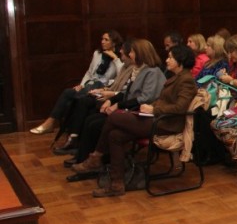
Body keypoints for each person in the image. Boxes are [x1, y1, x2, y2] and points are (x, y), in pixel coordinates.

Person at [73, 44, 197, 197]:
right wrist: (149, 107)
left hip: (166, 124)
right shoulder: (175, 77)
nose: (167, 60)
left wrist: (153, 109)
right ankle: (117, 184)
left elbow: (180, 108)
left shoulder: (186, 81)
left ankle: (96, 157)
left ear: (181, 61)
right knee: (115, 136)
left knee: (114, 116)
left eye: (171, 57)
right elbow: (163, 101)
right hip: (156, 118)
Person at [68, 39, 166, 170]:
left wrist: (118, 106)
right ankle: (85, 157)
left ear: (140, 53)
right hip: (129, 108)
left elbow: (144, 98)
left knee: (95, 124)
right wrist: (112, 101)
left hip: (140, 113)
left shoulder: (152, 72)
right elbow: (126, 92)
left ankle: (95, 160)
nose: (130, 54)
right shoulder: (139, 69)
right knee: (91, 119)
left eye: (132, 52)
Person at [31, 30, 125, 134]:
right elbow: (89, 73)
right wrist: (82, 84)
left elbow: (122, 75)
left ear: (114, 42)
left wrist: (115, 59)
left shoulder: (120, 58)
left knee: (77, 99)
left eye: (106, 40)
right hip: (90, 85)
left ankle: (64, 129)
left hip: (103, 89)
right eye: (102, 39)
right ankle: (51, 122)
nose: (102, 42)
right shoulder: (97, 54)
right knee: (68, 92)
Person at [53, 39, 135, 156]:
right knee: (78, 101)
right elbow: (110, 82)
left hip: (118, 101)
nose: (120, 52)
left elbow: (127, 92)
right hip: (107, 93)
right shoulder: (118, 64)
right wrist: (103, 90)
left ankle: (77, 143)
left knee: (85, 105)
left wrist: (110, 93)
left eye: (123, 52)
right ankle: (76, 141)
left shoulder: (129, 67)